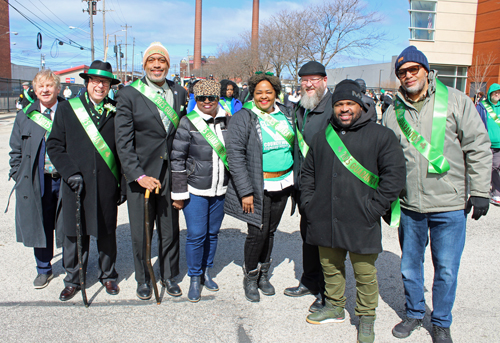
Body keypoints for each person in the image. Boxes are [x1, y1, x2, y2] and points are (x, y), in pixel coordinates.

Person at [383, 46, 491, 343]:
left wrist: (481, 190)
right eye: (402, 72)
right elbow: (385, 159)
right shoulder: (393, 113)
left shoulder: (456, 101)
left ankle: (441, 321)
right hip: (409, 206)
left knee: (446, 269)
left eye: (413, 70)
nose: (408, 76)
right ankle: (415, 313)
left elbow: (478, 147)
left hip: (449, 205)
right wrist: (384, 196)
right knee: (409, 266)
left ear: (427, 72)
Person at [301, 79, 406, 343]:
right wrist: (309, 205)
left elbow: (394, 177)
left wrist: (375, 209)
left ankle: (366, 317)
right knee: (330, 267)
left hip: (362, 217)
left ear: (360, 105)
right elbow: (308, 174)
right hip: (324, 215)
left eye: (350, 104)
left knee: (365, 274)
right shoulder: (323, 135)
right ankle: (335, 306)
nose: (344, 109)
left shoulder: (381, 136)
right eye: (339, 105)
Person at [115, 42, 188, 300]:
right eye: (152, 61)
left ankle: (169, 275)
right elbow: (123, 142)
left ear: (168, 65)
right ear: (144, 65)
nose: (157, 65)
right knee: (141, 231)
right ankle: (144, 278)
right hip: (142, 175)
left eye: (162, 61)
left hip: (170, 173)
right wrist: (138, 175)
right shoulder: (129, 94)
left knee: (170, 228)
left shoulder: (179, 92)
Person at [46, 60, 124, 301]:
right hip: (75, 184)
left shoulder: (117, 109)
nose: (100, 86)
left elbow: (122, 149)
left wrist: (121, 181)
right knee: (74, 233)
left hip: (106, 183)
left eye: (105, 82)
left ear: (110, 85)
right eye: (95, 81)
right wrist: (70, 173)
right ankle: (73, 278)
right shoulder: (68, 109)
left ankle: (108, 274)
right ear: (87, 82)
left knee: (106, 231)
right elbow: (55, 145)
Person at [225, 72, 293, 303]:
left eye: (269, 92)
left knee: (270, 231)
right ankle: (251, 277)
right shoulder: (244, 117)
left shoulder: (286, 114)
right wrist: (245, 191)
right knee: (256, 233)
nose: (264, 97)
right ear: (252, 94)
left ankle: (264, 274)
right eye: (259, 93)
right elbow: (235, 155)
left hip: (283, 183)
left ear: (276, 93)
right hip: (257, 186)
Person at [171, 80, 230, 302]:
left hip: (220, 189)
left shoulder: (228, 121)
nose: (207, 102)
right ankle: (194, 277)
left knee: (213, 234)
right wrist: (178, 193)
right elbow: (177, 159)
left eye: (211, 98)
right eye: (202, 98)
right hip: (195, 189)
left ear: (217, 99)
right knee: (197, 235)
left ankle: (206, 271)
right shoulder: (187, 123)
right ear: (196, 99)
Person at [8, 70, 64, 289]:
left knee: (65, 225)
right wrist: (18, 176)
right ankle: (43, 269)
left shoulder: (68, 113)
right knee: (40, 225)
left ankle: (72, 267)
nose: (45, 90)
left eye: (50, 85)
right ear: (35, 89)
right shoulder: (25, 116)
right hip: (37, 181)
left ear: (58, 89)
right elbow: (15, 151)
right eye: (40, 86)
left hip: (64, 181)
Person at [284, 61, 332, 312]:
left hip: (326, 187)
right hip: (304, 186)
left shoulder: (334, 108)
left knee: (325, 240)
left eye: (314, 79)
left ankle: (327, 291)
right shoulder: (302, 108)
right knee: (308, 235)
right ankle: (310, 280)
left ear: (325, 80)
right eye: (305, 80)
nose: (309, 84)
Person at [476, 83, 500, 206]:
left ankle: (496, 191)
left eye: (499, 92)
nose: (497, 94)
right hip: (487, 144)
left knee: (495, 168)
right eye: (495, 92)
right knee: (489, 168)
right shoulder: (482, 107)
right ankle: (485, 191)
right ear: (490, 93)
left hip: (499, 145)